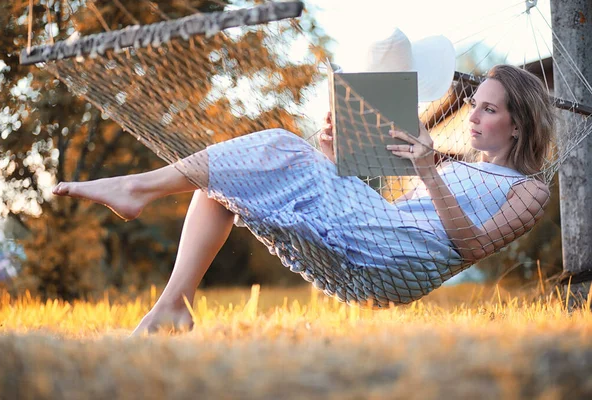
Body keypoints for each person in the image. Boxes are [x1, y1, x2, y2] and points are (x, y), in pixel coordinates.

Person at [52, 31, 554, 334]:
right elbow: (387, 216)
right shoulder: (452, 168)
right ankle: (173, 307)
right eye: (474, 105)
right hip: (381, 240)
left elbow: (469, 247)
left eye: (488, 109)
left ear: (519, 123)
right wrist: (333, 159)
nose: (472, 117)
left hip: (404, 259)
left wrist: (425, 169)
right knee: (224, 185)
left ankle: (137, 189)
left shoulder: (529, 188)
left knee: (275, 144)